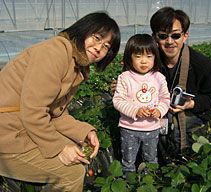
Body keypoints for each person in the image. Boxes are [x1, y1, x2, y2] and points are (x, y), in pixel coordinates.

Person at [0, 11, 120, 191]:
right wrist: (60, 148)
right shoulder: (55, 53)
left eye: (106, 46)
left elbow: (56, 114)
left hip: (19, 127)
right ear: (83, 30)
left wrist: (84, 132)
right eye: (96, 38)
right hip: (6, 135)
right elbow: (34, 111)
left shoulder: (76, 65)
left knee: (76, 152)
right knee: (71, 174)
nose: (98, 48)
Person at [150, 7, 211, 162]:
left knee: (174, 129)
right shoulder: (149, 61)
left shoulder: (201, 64)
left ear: (185, 36)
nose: (170, 42)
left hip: (193, 113)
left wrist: (192, 104)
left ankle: (183, 162)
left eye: (175, 35)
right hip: (157, 110)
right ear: (155, 38)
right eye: (163, 36)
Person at [112, 34, 170, 177]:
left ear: (155, 57)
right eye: (138, 56)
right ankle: (129, 181)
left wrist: (160, 110)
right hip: (129, 128)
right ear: (129, 57)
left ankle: (149, 181)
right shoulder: (125, 78)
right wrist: (135, 110)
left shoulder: (159, 78)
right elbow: (118, 100)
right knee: (128, 159)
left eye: (149, 56)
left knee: (150, 158)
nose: (144, 61)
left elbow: (165, 98)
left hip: (152, 128)